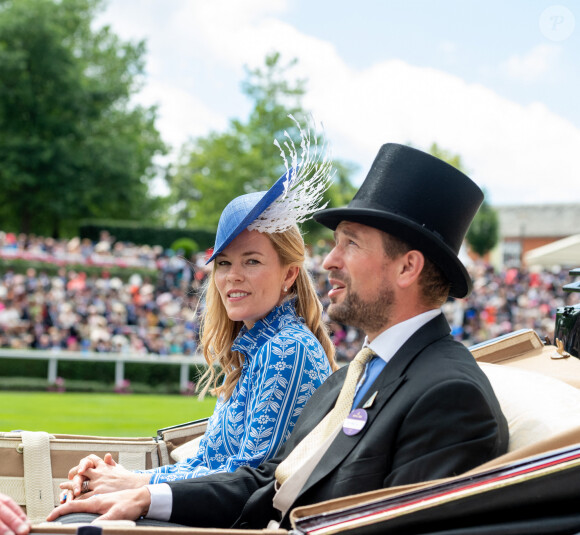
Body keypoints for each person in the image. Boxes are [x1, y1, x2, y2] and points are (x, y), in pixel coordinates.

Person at [48, 143, 509, 529]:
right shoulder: (356, 377)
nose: (328, 261)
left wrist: (144, 492)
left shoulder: (448, 394)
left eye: (349, 243)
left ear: (408, 267)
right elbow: (269, 482)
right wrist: (142, 492)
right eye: (224, 263)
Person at [58, 120, 337, 500]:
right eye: (223, 263)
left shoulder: (286, 348)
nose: (232, 277)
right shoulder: (258, 346)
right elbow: (210, 464)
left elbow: (246, 481)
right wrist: (122, 476)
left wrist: (134, 485)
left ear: (289, 274)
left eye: (251, 261)